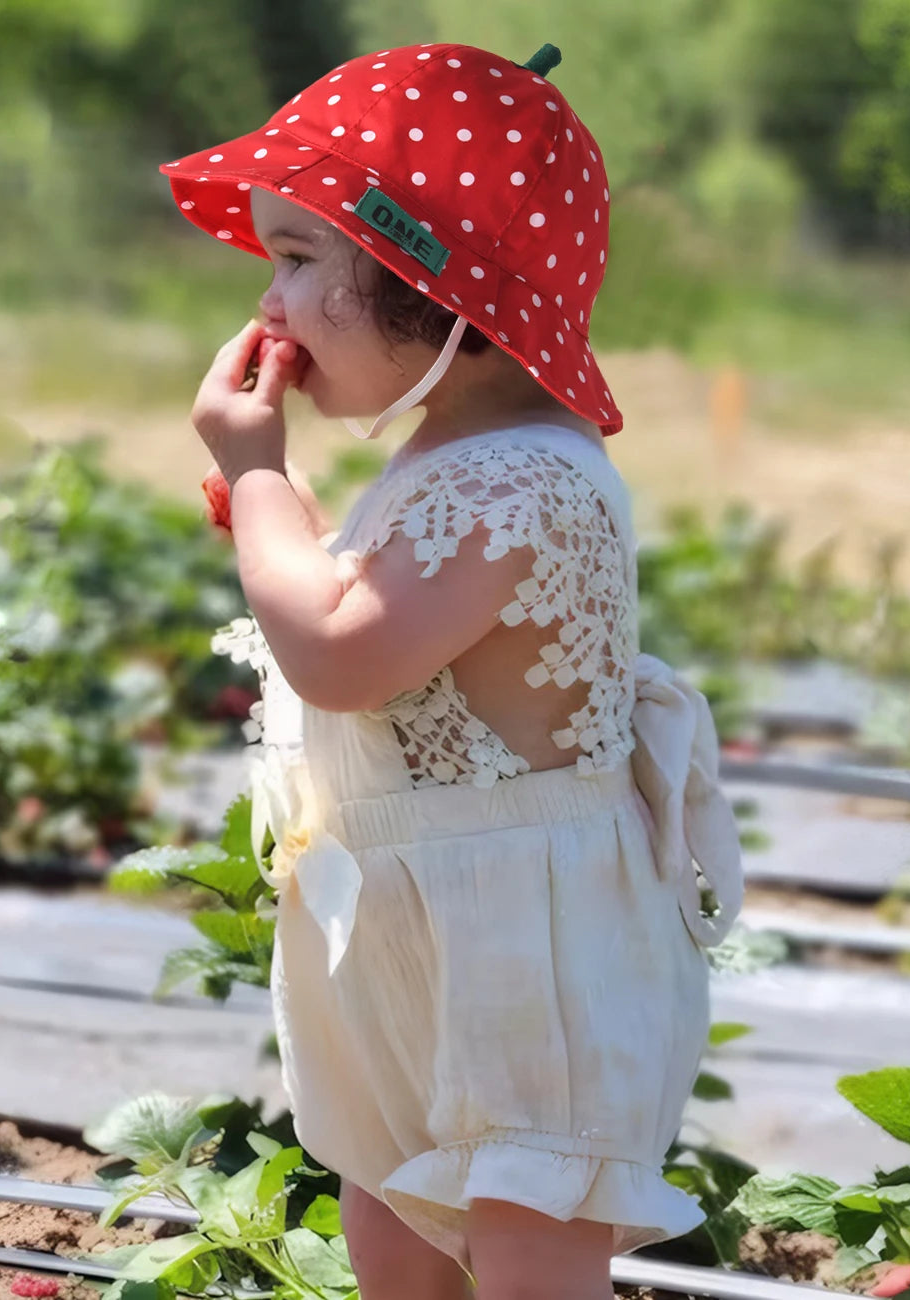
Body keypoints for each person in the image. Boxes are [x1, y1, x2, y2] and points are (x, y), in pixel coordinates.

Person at [159, 40, 745, 1300]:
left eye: (300, 259)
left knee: (528, 1257)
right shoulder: (451, 456)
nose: (268, 305)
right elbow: (394, 632)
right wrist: (301, 529)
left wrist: (258, 473)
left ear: (442, 286)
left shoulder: (524, 474)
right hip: (413, 933)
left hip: (525, 958)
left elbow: (340, 655)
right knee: (396, 1256)